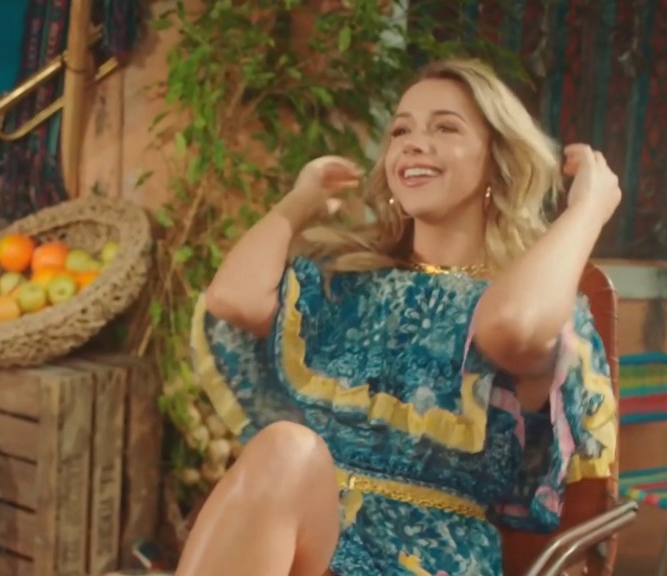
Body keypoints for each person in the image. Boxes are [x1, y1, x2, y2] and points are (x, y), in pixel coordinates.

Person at [177, 58, 622, 576]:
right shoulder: (346, 284)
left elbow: (514, 326)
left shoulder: (530, 301)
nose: (413, 143)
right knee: (285, 449)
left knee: (286, 451)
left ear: (497, 160)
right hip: (310, 535)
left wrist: (587, 210)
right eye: (400, 131)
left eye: (445, 128)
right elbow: (233, 300)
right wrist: (298, 203)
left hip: (427, 555)